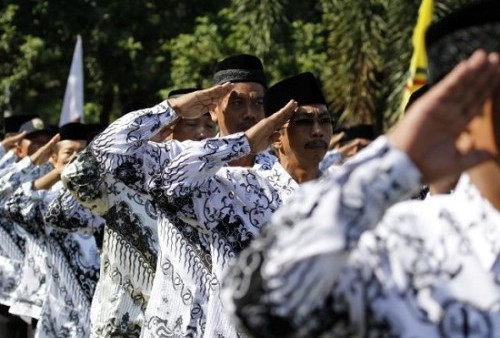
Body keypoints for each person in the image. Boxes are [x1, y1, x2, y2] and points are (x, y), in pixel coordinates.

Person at [222, 1, 500, 337]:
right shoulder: (408, 241)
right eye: (305, 122)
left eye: (324, 121)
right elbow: (259, 304)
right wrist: (396, 158)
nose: (317, 131)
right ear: (466, 118)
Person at [4, 122, 102, 337]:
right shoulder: (45, 199)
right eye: (69, 152)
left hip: (96, 303)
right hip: (52, 304)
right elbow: (10, 205)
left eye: (82, 152)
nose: (77, 157)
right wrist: (58, 173)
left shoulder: (101, 196)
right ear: (53, 158)